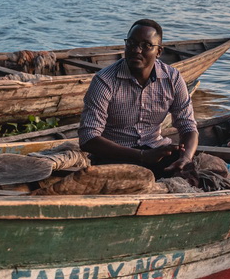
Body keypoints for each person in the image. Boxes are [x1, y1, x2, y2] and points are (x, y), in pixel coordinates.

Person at [78, 19, 198, 177]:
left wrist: (186, 158)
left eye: (146, 45)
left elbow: (188, 126)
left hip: (156, 151)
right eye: (131, 43)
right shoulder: (104, 81)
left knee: (197, 172)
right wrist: (141, 156)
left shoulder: (173, 78)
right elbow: (88, 138)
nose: (136, 50)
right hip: (115, 156)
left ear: (159, 51)